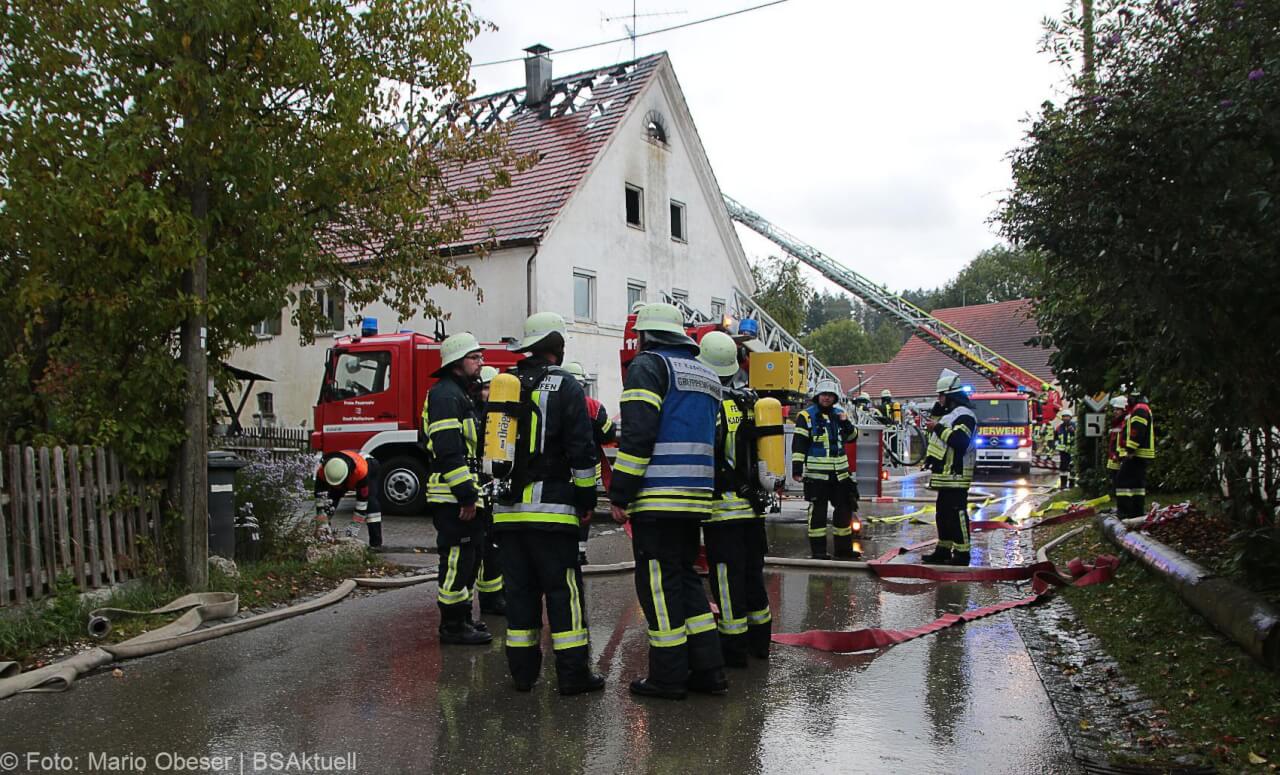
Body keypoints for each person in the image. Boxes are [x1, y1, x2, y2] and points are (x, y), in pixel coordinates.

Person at [609, 302, 727, 701]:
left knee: (658, 586)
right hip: (696, 496)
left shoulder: (648, 366)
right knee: (687, 579)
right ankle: (709, 671)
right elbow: (713, 437)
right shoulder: (706, 373)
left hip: (658, 496)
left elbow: (638, 435)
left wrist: (620, 492)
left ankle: (668, 676)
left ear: (645, 335)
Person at [492, 312, 603, 695]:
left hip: (507, 512)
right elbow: (582, 450)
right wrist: (586, 498)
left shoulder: (506, 384)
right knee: (562, 592)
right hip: (552, 510)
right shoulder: (566, 385)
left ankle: (523, 675)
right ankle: (573, 676)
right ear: (557, 346)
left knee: (520, 593)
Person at [698, 331, 773, 666]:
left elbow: (707, 454)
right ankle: (761, 643)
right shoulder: (751, 403)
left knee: (727, 582)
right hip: (754, 509)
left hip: (723, 512)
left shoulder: (711, 405)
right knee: (753, 576)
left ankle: (734, 650)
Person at [423, 332, 490, 645]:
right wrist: (466, 495)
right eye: (474, 358)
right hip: (451, 496)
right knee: (456, 559)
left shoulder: (461, 395)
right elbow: (449, 450)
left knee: (469, 559)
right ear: (456, 363)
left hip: (463, 493)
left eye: (480, 357)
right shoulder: (446, 396)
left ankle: (462, 617)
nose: (481, 362)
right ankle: (451, 625)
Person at [792, 380, 860, 560]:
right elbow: (799, 444)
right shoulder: (806, 416)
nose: (827, 398)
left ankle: (844, 551)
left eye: (830, 395)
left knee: (844, 512)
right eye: (824, 395)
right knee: (818, 515)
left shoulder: (840, 414)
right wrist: (797, 469)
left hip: (840, 475)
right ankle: (819, 552)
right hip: (817, 476)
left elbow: (852, 437)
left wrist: (846, 423)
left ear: (835, 398)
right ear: (817, 396)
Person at [921, 369, 977, 566]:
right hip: (945, 474)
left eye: (941, 395)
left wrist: (937, 427)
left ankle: (962, 554)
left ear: (950, 395)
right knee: (942, 514)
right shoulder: (950, 415)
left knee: (956, 514)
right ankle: (943, 550)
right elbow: (939, 442)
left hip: (957, 474)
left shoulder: (965, 416)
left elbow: (960, 441)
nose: (939, 399)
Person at [564, 361, 616, 565]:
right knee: (585, 510)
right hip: (588, 471)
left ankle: (564, 549)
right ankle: (580, 551)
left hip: (558, 470)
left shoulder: (554, 402)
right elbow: (608, 434)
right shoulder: (593, 406)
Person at [470, 365, 505, 616]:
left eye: (492, 387)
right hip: (481, 485)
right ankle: (490, 599)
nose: (488, 393)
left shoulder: (502, 413)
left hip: (497, 485)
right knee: (485, 545)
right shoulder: (474, 414)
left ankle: (497, 594)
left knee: (498, 545)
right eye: (484, 388)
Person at [313, 450, 382, 548]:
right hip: (343, 469)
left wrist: (354, 527)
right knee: (331, 499)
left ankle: (376, 544)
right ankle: (324, 537)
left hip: (369, 465)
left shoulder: (361, 472)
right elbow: (320, 499)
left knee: (371, 503)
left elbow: (362, 503)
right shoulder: (323, 471)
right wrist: (322, 522)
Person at [1115, 391, 1156, 518]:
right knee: (1137, 485)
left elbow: (1137, 430)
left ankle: (1124, 512)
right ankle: (1137, 511)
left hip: (1136, 453)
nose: (1127, 400)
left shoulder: (1139, 409)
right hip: (1140, 453)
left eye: (1129, 397)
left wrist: (1130, 449)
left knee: (1122, 481)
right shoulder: (1142, 408)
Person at [1105, 397, 1128, 495]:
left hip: (1122, 455)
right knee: (1115, 478)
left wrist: (1118, 454)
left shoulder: (1125, 423)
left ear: (1124, 410)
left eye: (1118, 409)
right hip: (1115, 456)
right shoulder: (1116, 422)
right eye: (1114, 409)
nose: (1115, 412)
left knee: (1122, 479)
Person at [1054, 410, 1077, 490]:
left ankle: (1071, 485)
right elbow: (1056, 438)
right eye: (1064, 416)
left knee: (1072, 467)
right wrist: (1056, 445)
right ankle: (1063, 484)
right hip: (1063, 451)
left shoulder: (1075, 426)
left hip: (1073, 450)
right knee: (1063, 467)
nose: (1065, 418)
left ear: (1070, 418)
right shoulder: (1059, 427)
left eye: (1067, 416)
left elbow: (1078, 436)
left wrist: (1073, 431)